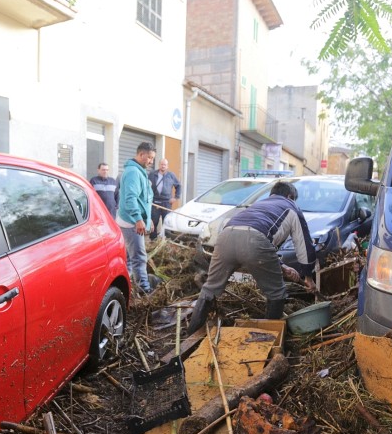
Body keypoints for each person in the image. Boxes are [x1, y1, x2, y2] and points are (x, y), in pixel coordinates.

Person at [186, 180, 317, 335]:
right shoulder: (291, 206)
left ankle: (191, 334)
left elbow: (263, 239)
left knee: (210, 289)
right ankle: (267, 338)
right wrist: (308, 275)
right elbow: (303, 243)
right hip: (255, 241)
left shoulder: (259, 204)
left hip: (225, 238)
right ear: (290, 196)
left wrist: (281, 266)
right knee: (277, 293)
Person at [117, 142, 157, 293]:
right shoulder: (133, 172)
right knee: (139, 257)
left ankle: (125, 288)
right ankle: (143, 289)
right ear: (141, 155)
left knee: (128, 257)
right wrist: (138, 219)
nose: (151, 162)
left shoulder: (138, 170)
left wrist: (148, 219)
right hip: (130, 222)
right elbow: (131, 198)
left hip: (133, 220)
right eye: (150, 158)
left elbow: (142, 199)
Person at [148, 158, 181, 241]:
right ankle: (153, 240)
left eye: (165, 165)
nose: (163, 166)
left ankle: (166, 240)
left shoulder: (171, 175)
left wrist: (176, 197)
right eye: (162, 164)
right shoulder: (152, 174)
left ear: (167, 166)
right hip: (155, 202)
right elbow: (146, 186)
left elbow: (179, 186)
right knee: (154, 222)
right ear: (159, 165)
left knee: (166, 222)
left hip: (166, 202)